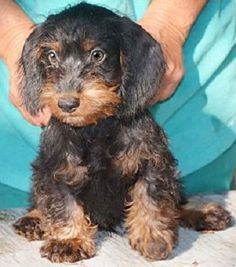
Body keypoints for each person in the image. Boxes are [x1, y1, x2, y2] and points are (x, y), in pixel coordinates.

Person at [0, 0, 235, 201]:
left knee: (175, 203)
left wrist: (170, 24)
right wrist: (11, 37)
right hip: (18, 143)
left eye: (97, 56)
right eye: (52, 56)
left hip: (190, 104)